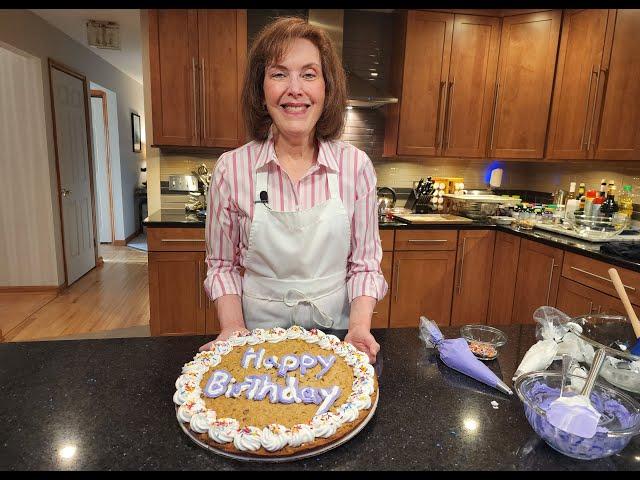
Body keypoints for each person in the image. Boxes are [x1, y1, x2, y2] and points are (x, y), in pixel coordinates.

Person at [200, 17, 387, 363]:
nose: (295, 89)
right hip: (254, 342)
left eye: (309, 74)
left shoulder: (356, 167)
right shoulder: (231, 169)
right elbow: (222, 265)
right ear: (261, 88)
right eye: (279, 73)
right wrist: (232, 328)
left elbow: (364, 265)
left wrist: (359, 327)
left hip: (336, 339)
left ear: (326, 88)